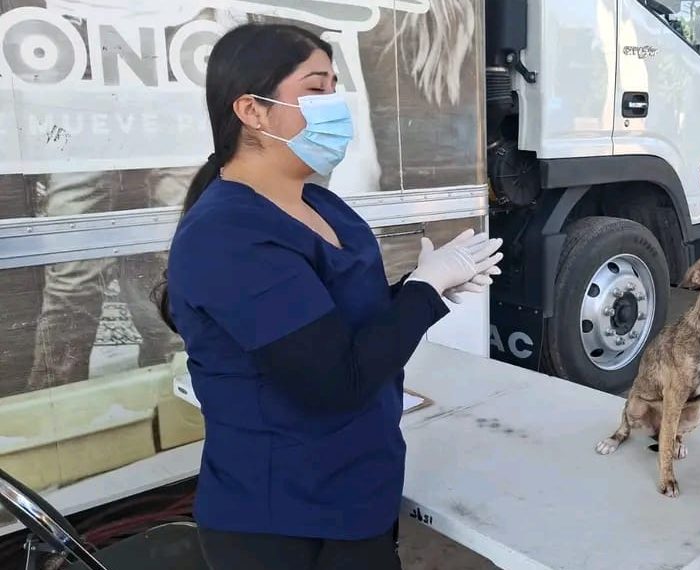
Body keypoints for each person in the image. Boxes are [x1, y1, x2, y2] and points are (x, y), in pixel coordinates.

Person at [155, 23, 502, 570]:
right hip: (287, 519)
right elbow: (335, 382)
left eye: (335, 87)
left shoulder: (319, 203)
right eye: (316, 89)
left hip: (355, 489)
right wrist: (422, 292)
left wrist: (426, 285)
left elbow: (335, 319)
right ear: (253, 111)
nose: (335, 105)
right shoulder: (228, 235)